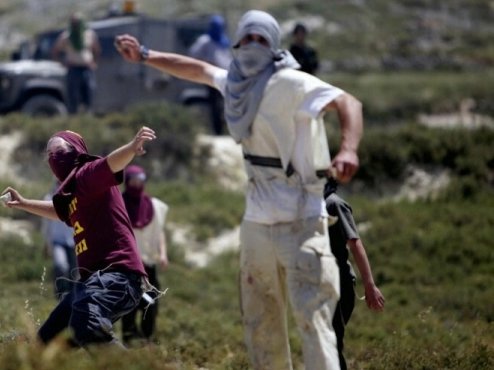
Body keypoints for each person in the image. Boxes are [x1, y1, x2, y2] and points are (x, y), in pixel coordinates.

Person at [116, 9, 364, 370]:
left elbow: (348, 102)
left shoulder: (292, 82)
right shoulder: (236, 82)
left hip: (302, 218)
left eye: (260, 39)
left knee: (313, 320)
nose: (252, 46)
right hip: (257, 223)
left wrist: (349, 148)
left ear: (274, 45)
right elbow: (197, 69)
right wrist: (145, 55)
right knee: (261, 325)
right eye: (246, 38)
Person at [1, 127, 156, 349]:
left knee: (87, 324)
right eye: (49, 154)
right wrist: (24, 203)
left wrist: (132, 147)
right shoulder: (73, 193)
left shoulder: (87, 173)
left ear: (77, 152)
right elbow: (60, 212)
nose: (54, 156)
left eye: (59, 150)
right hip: (92, 282)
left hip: (119, 276)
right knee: (48, 344)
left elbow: (112, 163)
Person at [323, 179, 385, 370]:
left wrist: (370, 285)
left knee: (331, 343)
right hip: (319, 286)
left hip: (338, 286)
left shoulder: (334, 204)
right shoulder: (310, 207)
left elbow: (355, 244)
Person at [120, 165, 169, 345]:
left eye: (140, 182)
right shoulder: (119, 204)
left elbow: (160, 231)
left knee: (151, 302)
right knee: (128, 306)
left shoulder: (154, 206)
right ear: (127, 182)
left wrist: (163, 254)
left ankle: (147, 339)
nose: (136, 185)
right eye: (133, 182)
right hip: (126, 266)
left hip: (148, 265)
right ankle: (128, 340)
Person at [189, 14, 232, 135]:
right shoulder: (205, 41)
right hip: (211, 75)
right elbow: (194, 54)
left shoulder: (223, 40)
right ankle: (217, 130)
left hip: (226, 75)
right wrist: (207, 64)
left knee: (226, 103)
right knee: (215, 104)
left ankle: (226, 129)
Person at [51, 13, 101, 114]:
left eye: (77, 22)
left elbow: (96, 49)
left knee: (89, 92)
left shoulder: (89, 34)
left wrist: (95, 62)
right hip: (73, 69)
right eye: (74, 22)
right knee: (73, 95)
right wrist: (62, 63)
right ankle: (74, 118)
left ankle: (88, 116)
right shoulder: (66, 36)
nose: (76, 24)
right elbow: (55, 50)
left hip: (87, 69)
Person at [41, 179, 79, 298]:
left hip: (74, 240)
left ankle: (72, 297)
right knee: (61, 266)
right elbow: (46, 224)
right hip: (57, 241)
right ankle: (60, 294)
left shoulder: (75, 198)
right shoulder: (49, 198)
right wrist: (47, 243)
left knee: (74, 271)